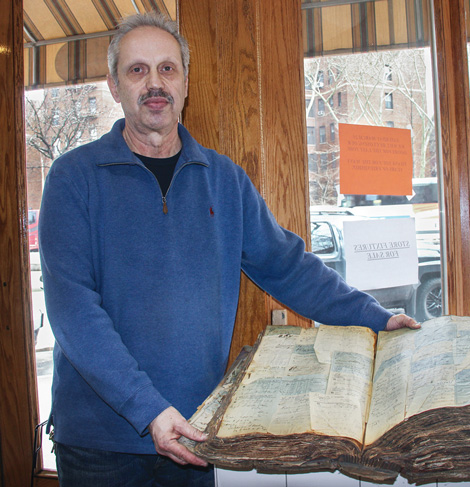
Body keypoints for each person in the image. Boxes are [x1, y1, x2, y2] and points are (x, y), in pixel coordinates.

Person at [39, 11, 420, 487]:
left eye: (167, 69)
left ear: (185, 83)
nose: (154, 83)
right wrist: (149, 409)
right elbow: (74, 312)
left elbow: (288, 267)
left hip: (197, 432)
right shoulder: (72, 179)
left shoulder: (224, 179)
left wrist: (375, 317)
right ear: (115, 86)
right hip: (100, 444)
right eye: (137, 70)